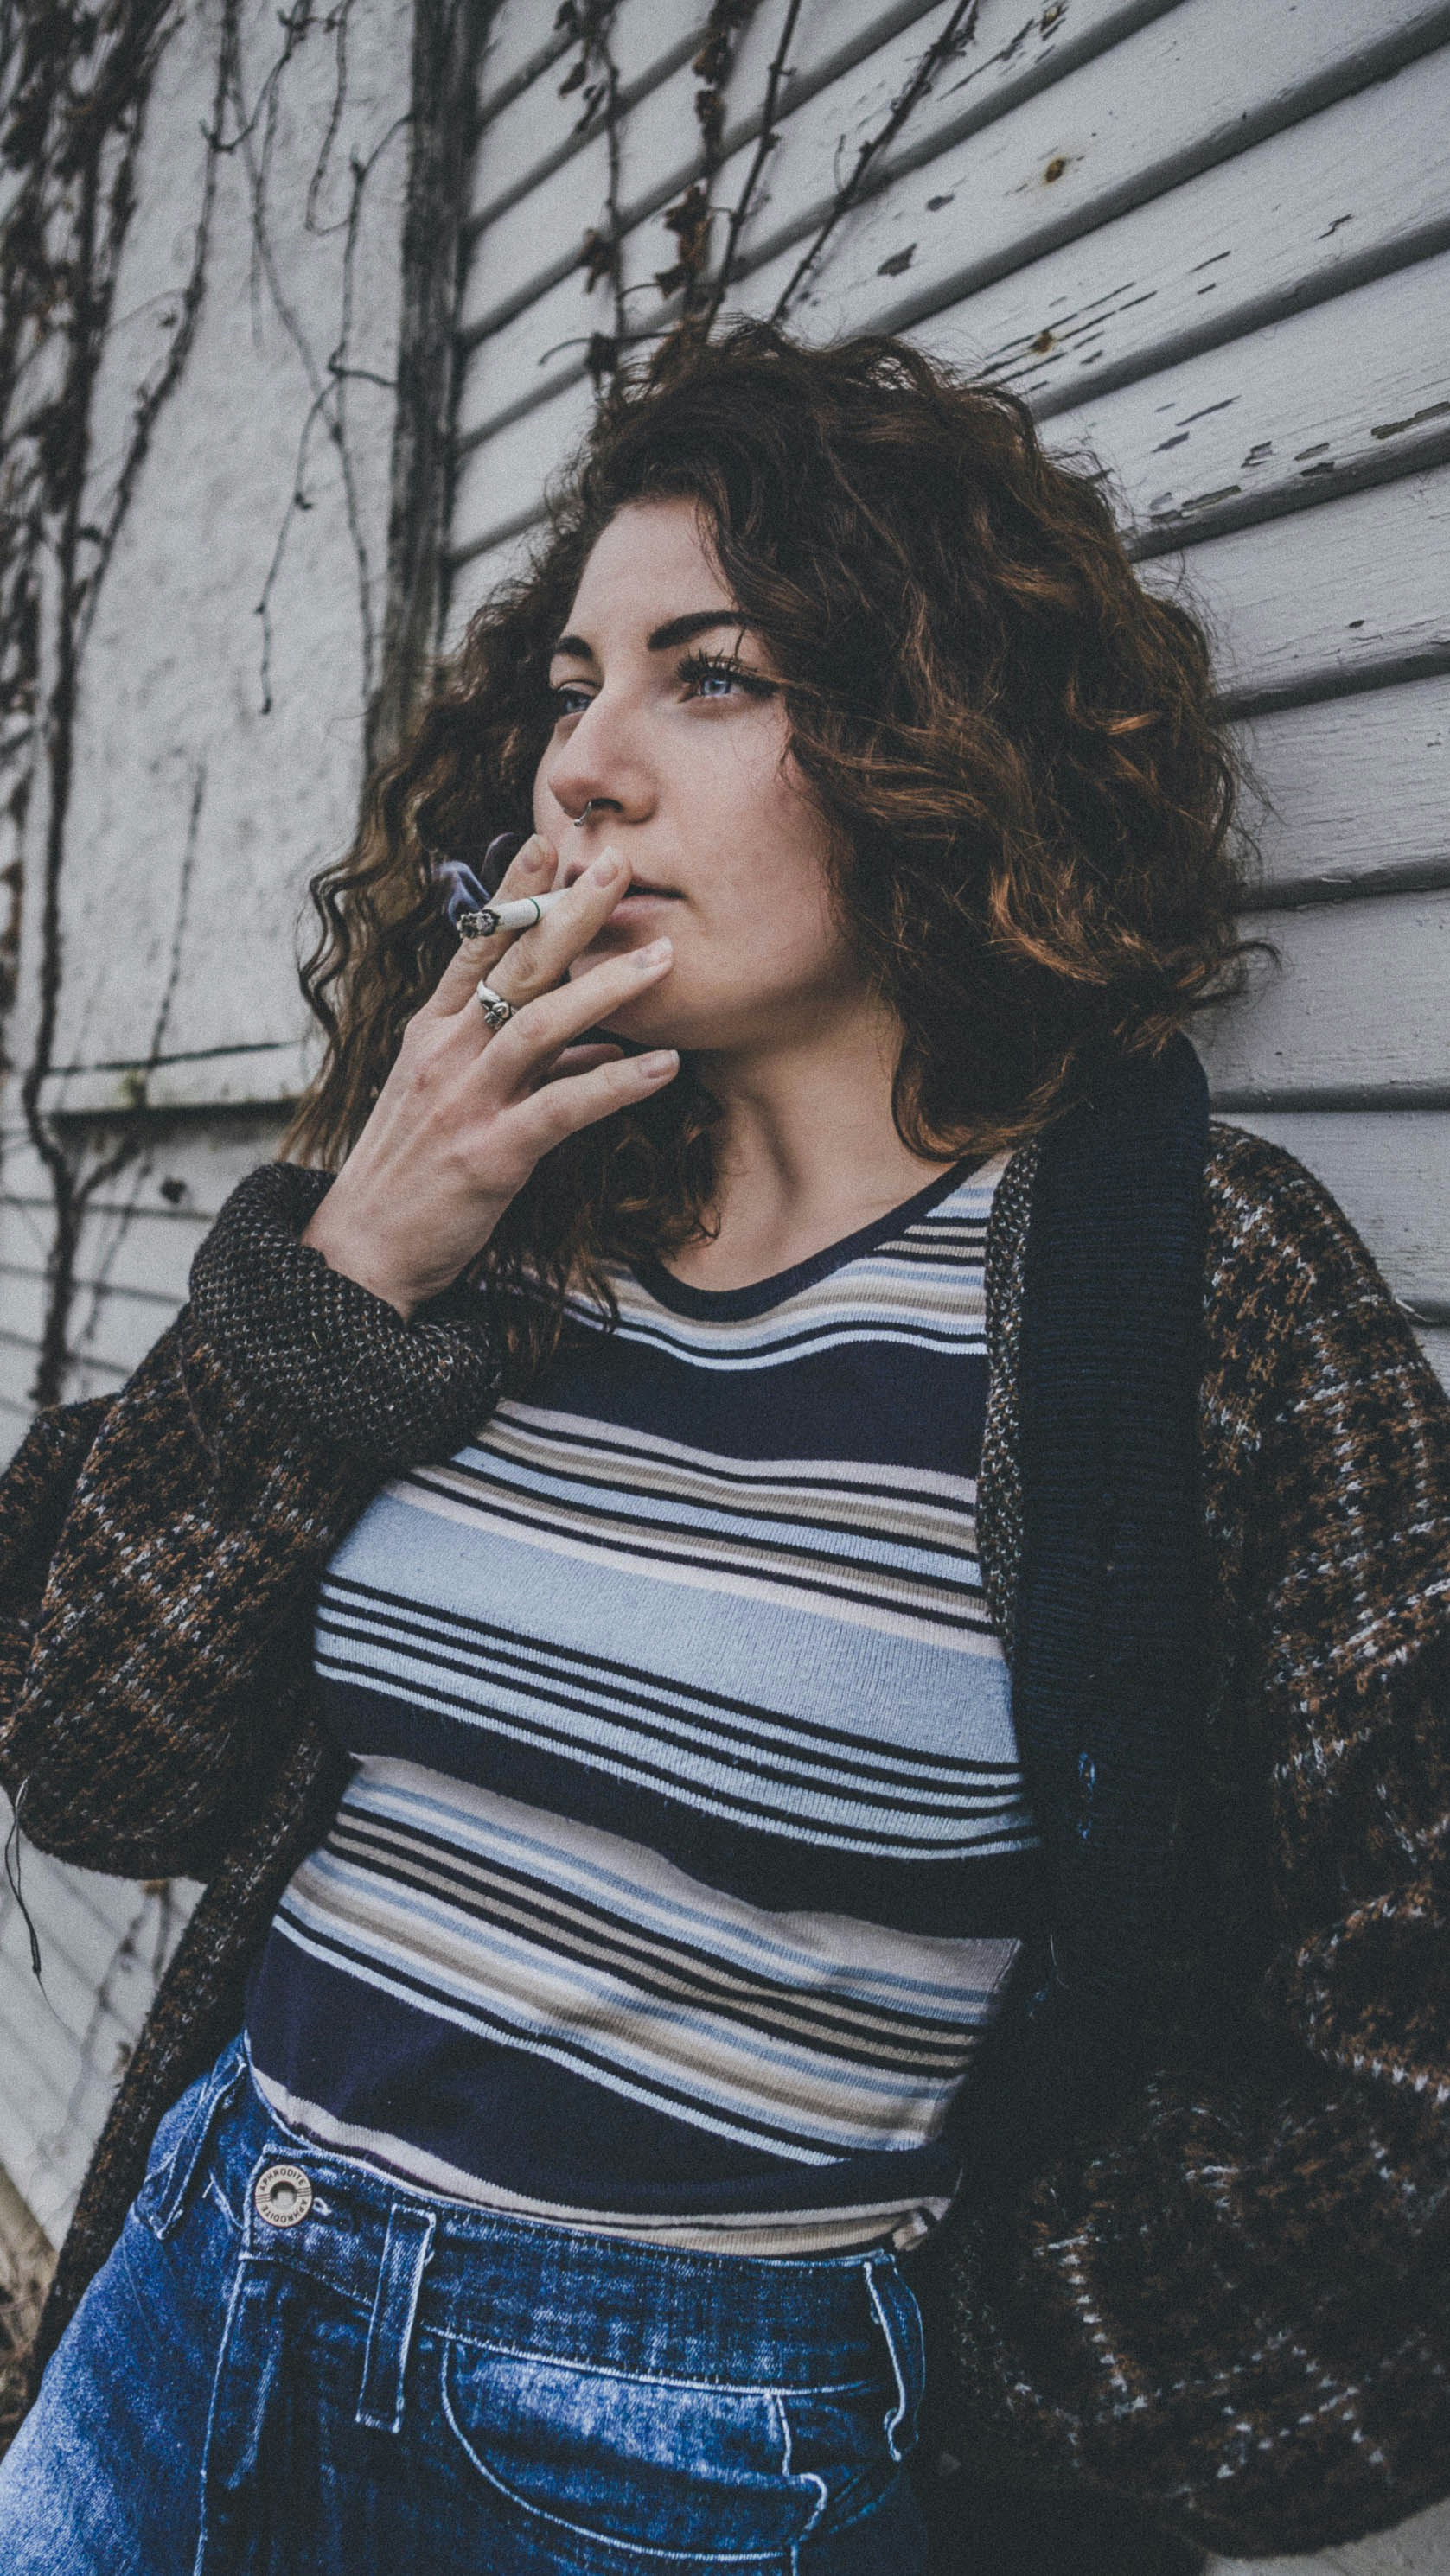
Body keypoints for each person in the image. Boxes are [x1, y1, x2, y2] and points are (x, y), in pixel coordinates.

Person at [0, 322, 1447, 2576]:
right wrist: (343, 1269)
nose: (582, 769)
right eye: (570, 687)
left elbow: (1408, 2075)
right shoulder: (496, 1232)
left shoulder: (1182, 1291)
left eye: (709, 673)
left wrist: (901, 2352)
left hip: (681, 2471)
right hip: (188, 2318)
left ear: (927, 731)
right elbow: (99, 1766)